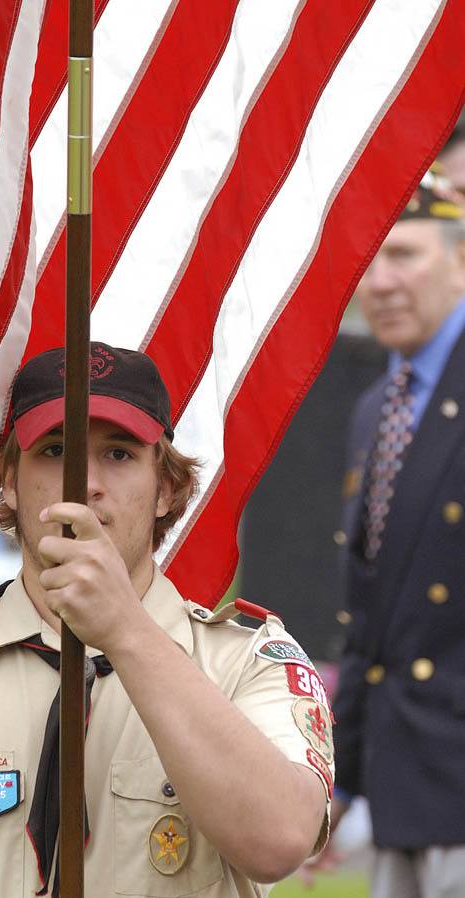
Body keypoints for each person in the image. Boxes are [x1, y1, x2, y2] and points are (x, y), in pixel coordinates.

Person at [0, 343, 333, 898]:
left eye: (119, 454)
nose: (84, 481)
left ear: (167, 488)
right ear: (9, 483)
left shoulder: (244, 666)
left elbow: (280, 841)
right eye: (54, 450)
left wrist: (125, 631)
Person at [315, 171, 465, 897]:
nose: (380, 281)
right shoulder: (379, 406)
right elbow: (369, 624)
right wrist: (336, 786)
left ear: (462, 262)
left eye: (404, 255)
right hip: (403, 789)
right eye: (367, 259)